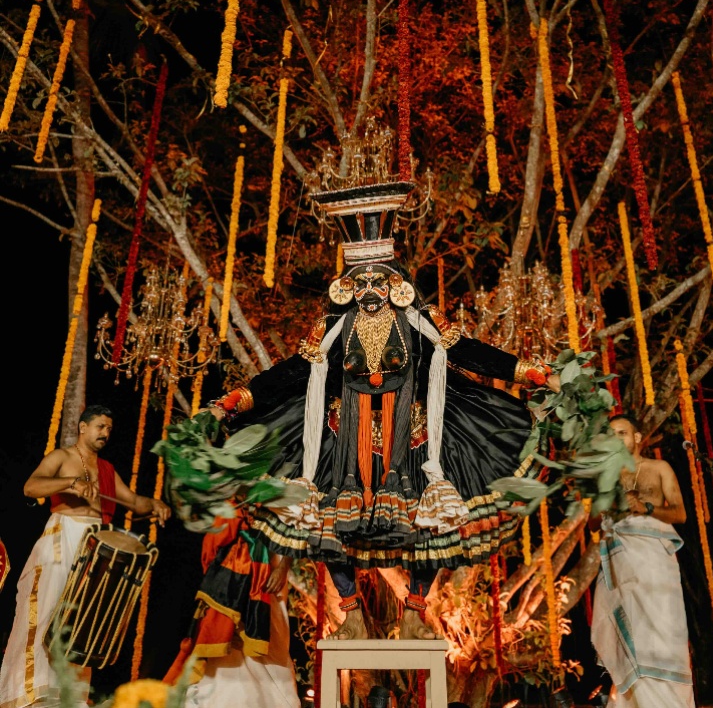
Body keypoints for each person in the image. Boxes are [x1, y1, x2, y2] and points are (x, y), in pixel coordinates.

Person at [207, 178, 556, 641]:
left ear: (397, 283)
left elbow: (469, 352)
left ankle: (415, 609)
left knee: (436, 522)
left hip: (414, 433)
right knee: (323, 519)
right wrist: (235, 400)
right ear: (346, 286)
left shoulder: (420, 321)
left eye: (378, 281)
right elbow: (291, 372)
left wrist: (532, 373)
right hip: (341, 432)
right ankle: (349, 611)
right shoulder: (332, 328)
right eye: (359, 282)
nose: (369, 290)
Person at [0, 404, 171, 708]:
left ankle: (71, 697)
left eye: (109, 428)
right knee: (47, 611)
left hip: (93, 547)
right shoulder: (62, 457)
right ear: (82, 427)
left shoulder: (106, 469)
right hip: (61, 537)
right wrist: (71, 483)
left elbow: (132, 501)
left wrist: (154, 504)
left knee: (82, 620)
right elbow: (30, 487)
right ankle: (32, 693)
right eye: (100, 427)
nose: (105, 433)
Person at [591, 414, 694, 708]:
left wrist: (645, 507)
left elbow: (680, 514)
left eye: (622, 433)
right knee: (632, 643)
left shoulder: (659, 468)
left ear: (637, 438)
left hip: (656, 565)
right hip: (622, 563)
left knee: (664, 635)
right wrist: (608, 508)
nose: (616, 439)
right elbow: (592, 523)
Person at [165, 512, 300, 708]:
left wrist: (283, 568)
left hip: (269, 564)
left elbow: (296, 520)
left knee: (270, 644)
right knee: (222, 638)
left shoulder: (283, 484)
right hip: (228, 562)